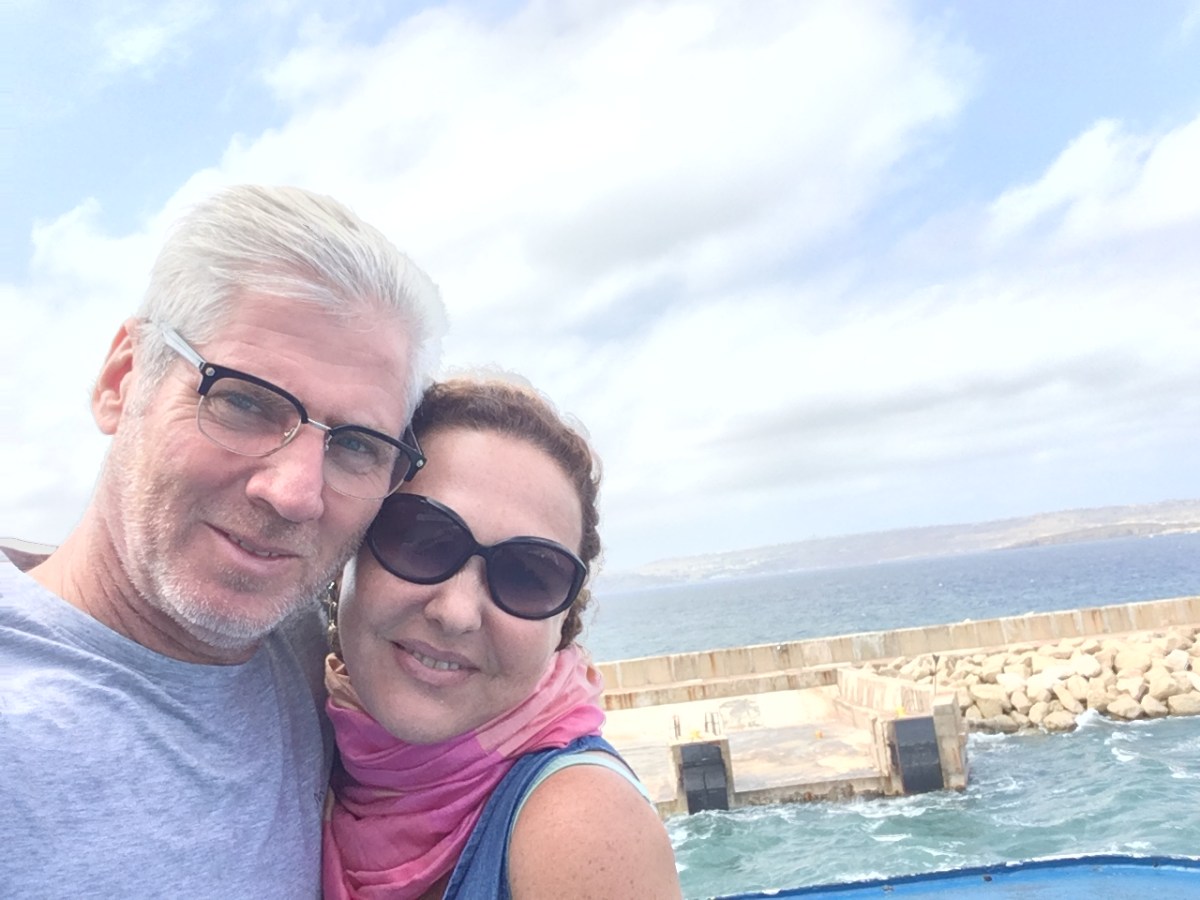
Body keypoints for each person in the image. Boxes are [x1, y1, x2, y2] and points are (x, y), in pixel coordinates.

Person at [0, 185, 445, 898]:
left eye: (357, 445)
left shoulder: (306, 652)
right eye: (242, 401)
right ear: (122, 380)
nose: (295, 494)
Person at [324, 377, 682, 899]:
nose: (457, 613)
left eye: (526, 575)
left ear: (562, 625)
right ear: (345, 555)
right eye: (420, 539)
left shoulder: (583, 825)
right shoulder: (302, 739)